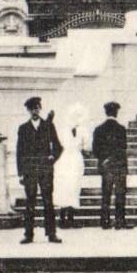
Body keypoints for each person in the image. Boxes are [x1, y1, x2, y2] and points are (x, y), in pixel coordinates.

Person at [15, 96, 62, 244]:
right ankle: (28, 234)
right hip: (29, 170)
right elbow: (19, 152)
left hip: (45, 170)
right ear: (28, 111)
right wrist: (20, 173)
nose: (34, 111)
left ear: (40, 109)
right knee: (30, 202)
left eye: (37, 108)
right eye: (31, 109)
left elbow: (58, 147)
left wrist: (52, 158)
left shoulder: (48, 126)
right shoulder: (23, 128)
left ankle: (51, 234)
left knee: (48, 202)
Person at [92, 100, 131, 230]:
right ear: (116, 113)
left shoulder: (98, 129)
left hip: (106, 166)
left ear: (106, 112)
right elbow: (123, 147)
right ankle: (120, 221)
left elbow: (95, 149)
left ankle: (105, 221)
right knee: (120, 193)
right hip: (119, 166)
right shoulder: (121, 129)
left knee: (106, 194)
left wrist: (105, 159)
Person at [52, 102, 88, 228]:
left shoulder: (82, 130)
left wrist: (83, 148)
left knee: (74, 188)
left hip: (76, 160)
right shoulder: (63, 131)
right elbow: (58, 145)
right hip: (65, 160)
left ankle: (71, 218)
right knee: (64, 187)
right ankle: (62, 219)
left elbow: (86, 146)